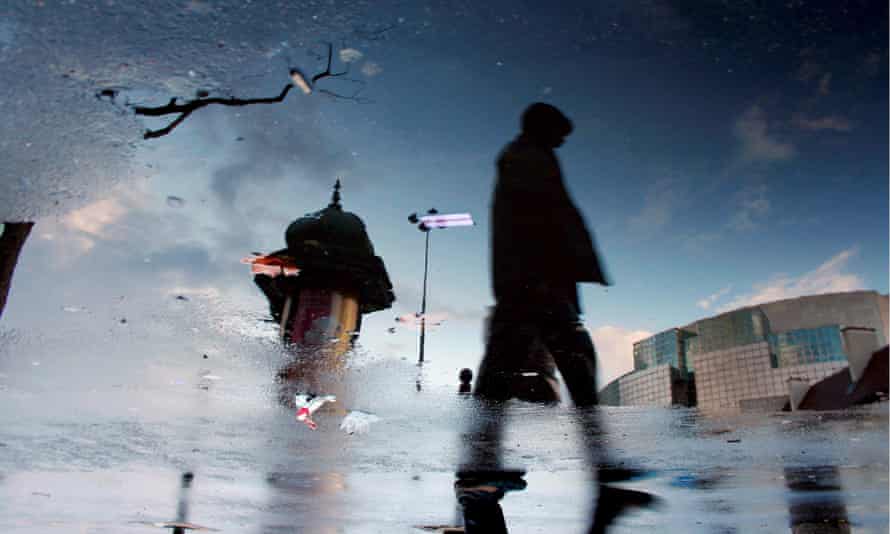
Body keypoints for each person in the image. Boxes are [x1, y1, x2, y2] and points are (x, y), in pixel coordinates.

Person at [455, 103, 655, 533]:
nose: (564, 139)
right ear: (544, 128)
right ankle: (598, 473)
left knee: (518, 374)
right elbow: (543, 223)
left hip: (534, 286)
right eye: (560, 132)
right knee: (561, 373)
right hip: (535, 286)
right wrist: (550, 280)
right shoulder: (526, 157)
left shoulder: (530, 156)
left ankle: (485, 466)